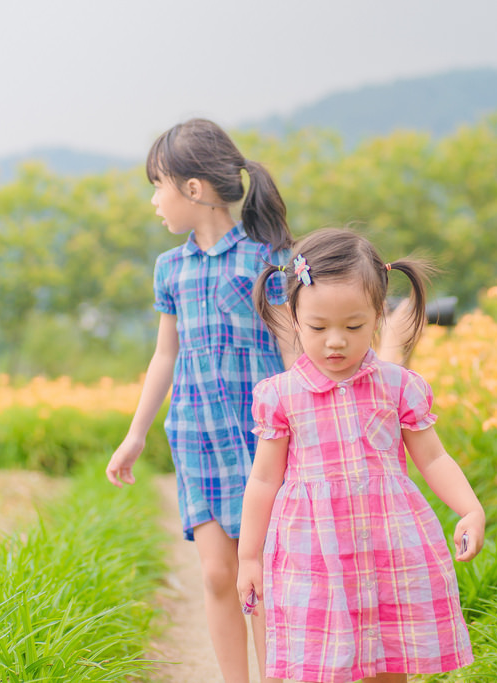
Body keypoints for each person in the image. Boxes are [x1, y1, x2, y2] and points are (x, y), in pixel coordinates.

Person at [237, 228, 485, 683]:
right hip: (313, 554)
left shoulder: (399, 386)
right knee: (319, 665)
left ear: (378, 316)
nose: (336, 341)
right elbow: (264, 480)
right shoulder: (281, 396)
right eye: (318, 327)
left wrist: (469, 508)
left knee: (390, 661)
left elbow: (433, 459)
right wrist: (249, 557)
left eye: (353, 326)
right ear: (294, 317)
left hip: (388, 549)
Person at [105, 118, 296, 683]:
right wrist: (135, 433)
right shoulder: (171, 268)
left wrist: (308, 418)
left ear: (194, 189)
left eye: (157, 186)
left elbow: (290, 346)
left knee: (260, 572)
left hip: (260, 439)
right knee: (216, 574)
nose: (154, 202)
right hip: (196, 435)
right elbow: (165, 356)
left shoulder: (264, 261)